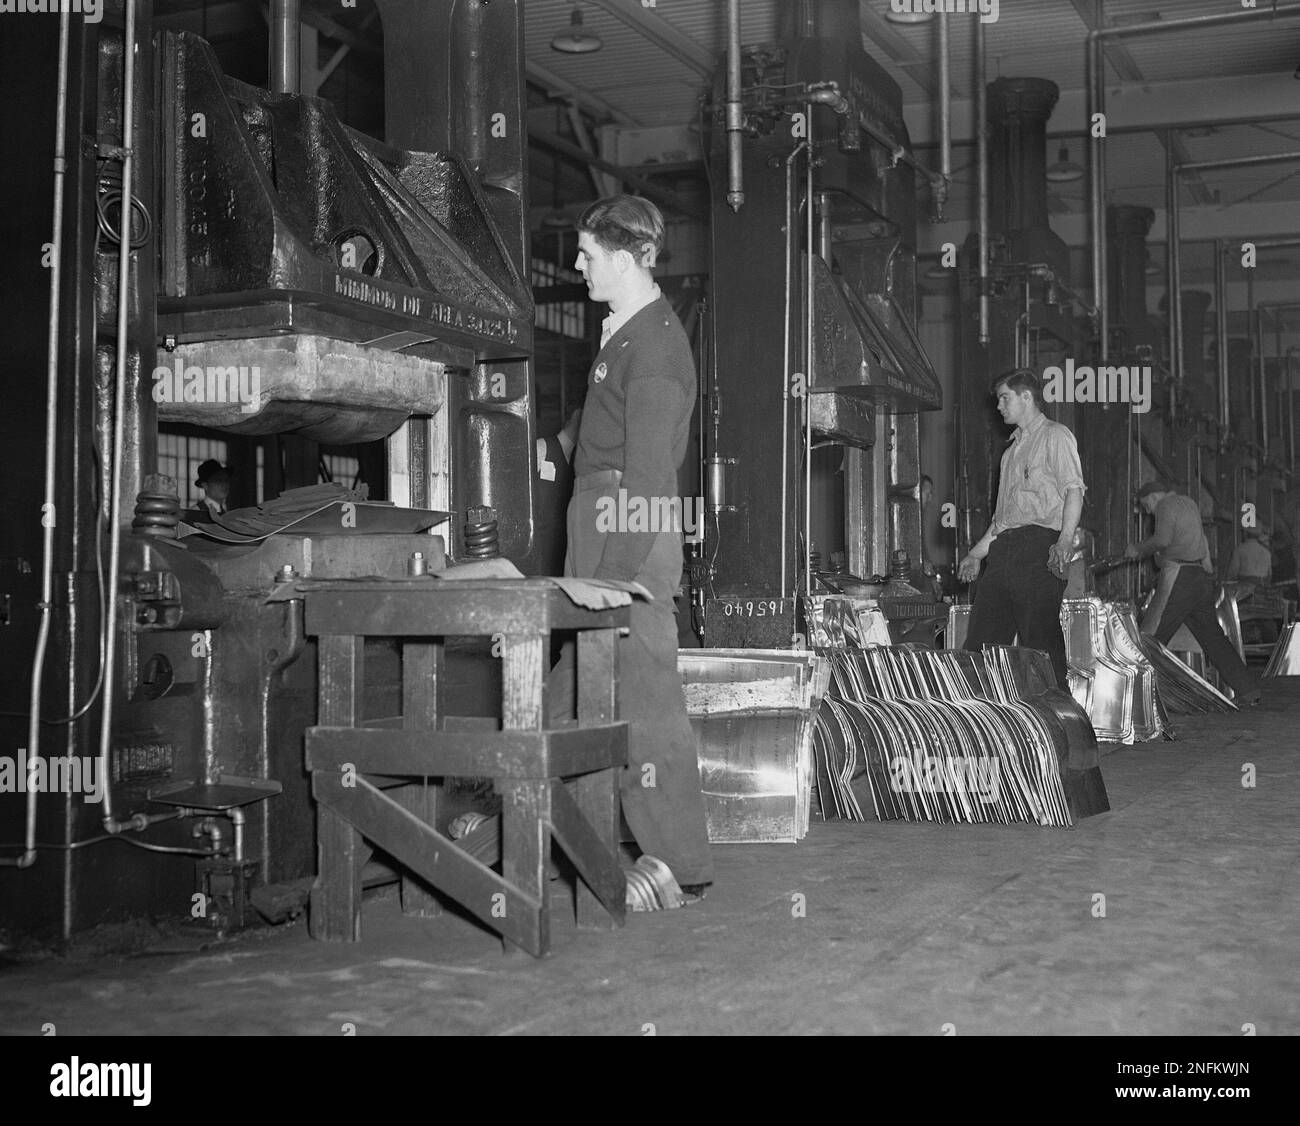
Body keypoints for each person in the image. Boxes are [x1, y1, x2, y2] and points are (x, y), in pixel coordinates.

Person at [556, 194, 713, 908]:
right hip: (603, 518)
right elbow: (611, 423)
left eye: (588, 255)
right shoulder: (626, 332)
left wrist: (614, 575)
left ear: (622, 260)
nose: (578, 265)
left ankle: (677, 863)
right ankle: (522, 826)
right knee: (573, 687)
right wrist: (557, 446)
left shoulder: (653, 345)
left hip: (630, 531)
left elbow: (649, 476)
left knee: (645, 698)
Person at [957, 369, 1085, 687]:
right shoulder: (1010, 454)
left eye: (1005, 398)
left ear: (1026, 397)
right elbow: (1001, 522)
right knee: (981, 644)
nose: (999, 406)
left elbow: (1074, 490)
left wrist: (1065, 541)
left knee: (1040, 644)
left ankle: (1062, 724)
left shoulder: (1056, 435)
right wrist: (975, 554)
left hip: (1040, 547)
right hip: (1004, 553)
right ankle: (981, 723)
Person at [1125, 481, 1261, 706]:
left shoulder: (1165, 506)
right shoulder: (1188, 502)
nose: (1148, 510)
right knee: (1213, 638)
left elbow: (1162, 540)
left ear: (1153, 497)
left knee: (1150, 637)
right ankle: (1248, 690)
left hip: (1179, 577)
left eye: (1146, 504)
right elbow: (1200, 543)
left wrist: (1137, 549)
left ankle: (1137, 702)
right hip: (1199, 578)